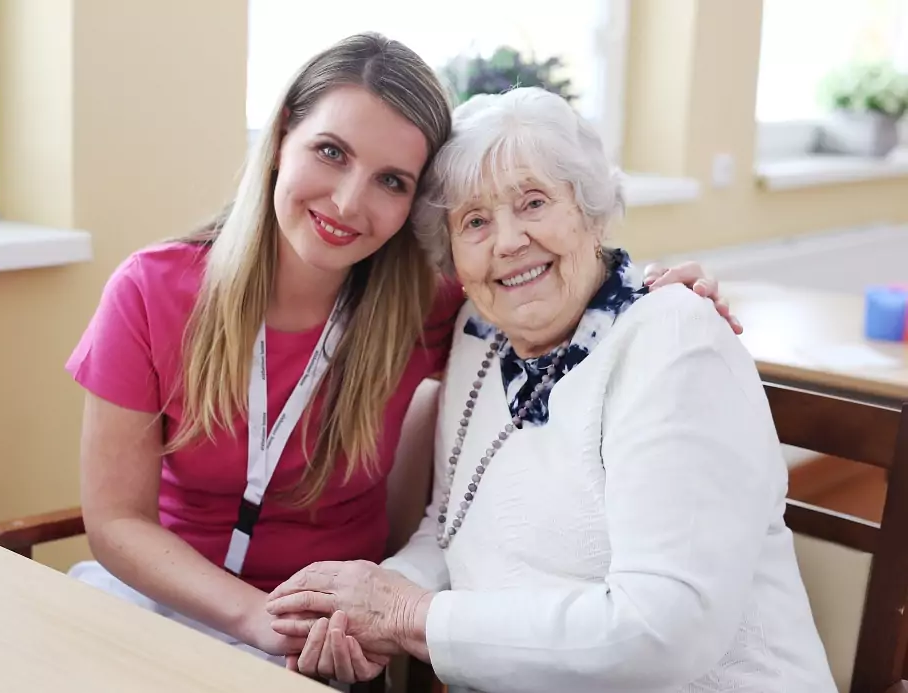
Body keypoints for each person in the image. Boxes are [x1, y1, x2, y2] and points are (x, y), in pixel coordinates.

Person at [65, 32, 736, 672]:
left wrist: (651, 295)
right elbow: (117, 519)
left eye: (391, 181)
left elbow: (549, 285)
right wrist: (252, 617)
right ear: (282, 135)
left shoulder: (431, 304)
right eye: (331, 151)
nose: (347, 201)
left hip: (324, 637)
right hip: (166, 606)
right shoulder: (150, 290)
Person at [266, 86, 837, 693]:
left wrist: (411, 616)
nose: (508, 241)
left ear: (591, 212)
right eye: (475, 221)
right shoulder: (480, 333)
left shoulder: (674, 341)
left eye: (533, 203)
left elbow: (665, 630)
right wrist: (360, 613)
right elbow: (450, 528)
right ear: (451, 253)